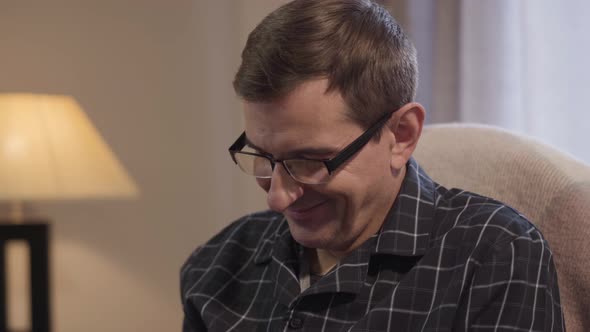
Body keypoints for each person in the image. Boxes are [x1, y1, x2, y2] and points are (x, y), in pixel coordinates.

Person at [180, 0, 564, 331]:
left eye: (308, 161)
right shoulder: (215, 267)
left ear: (401, 135)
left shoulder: (494, 255)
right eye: (262, 156)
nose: (278, 199)